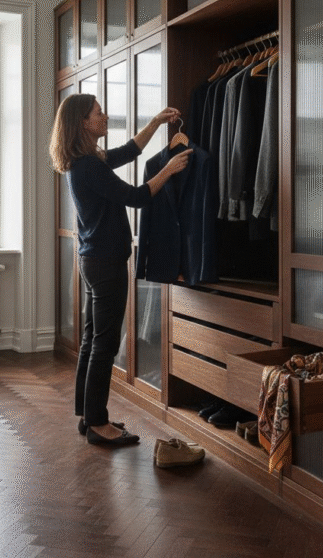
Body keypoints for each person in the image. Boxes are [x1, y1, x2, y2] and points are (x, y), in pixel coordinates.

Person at [50, 93, 193, 446]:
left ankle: (87, 415)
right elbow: (138, 197)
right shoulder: (89, 166)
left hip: (93, 260)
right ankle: (99, 423)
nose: (105, 116)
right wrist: (169, 169)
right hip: (106, 263)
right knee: (105, 344)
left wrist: (156, 124)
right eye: (98, 112)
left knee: (91, 340)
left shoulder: (86, 160)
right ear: (83, 122)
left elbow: (129, 150)